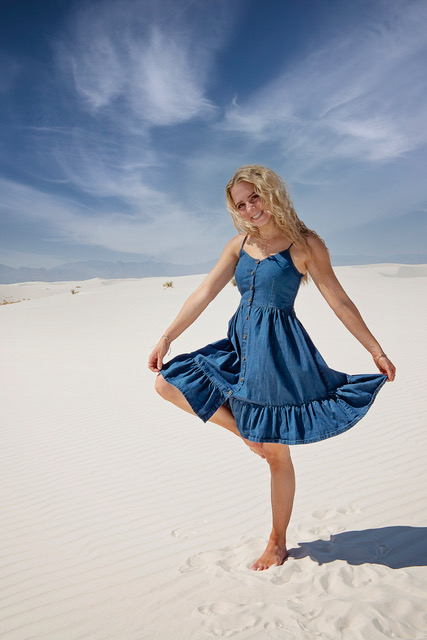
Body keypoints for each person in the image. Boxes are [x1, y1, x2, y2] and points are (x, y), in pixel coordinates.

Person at [148, 165, 396, 571]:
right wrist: (166, 337)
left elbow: (339, 300)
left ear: (271, 192)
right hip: (238, 345)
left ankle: (277, 542)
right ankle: (247, 433)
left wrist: (376, 350)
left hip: (278, 353)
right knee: (167, 384)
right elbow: (204, 292)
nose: (249, 209)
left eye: (254, 198)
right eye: (241, 204)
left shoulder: (305, 243)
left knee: (277, 457)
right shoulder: (238, 244)